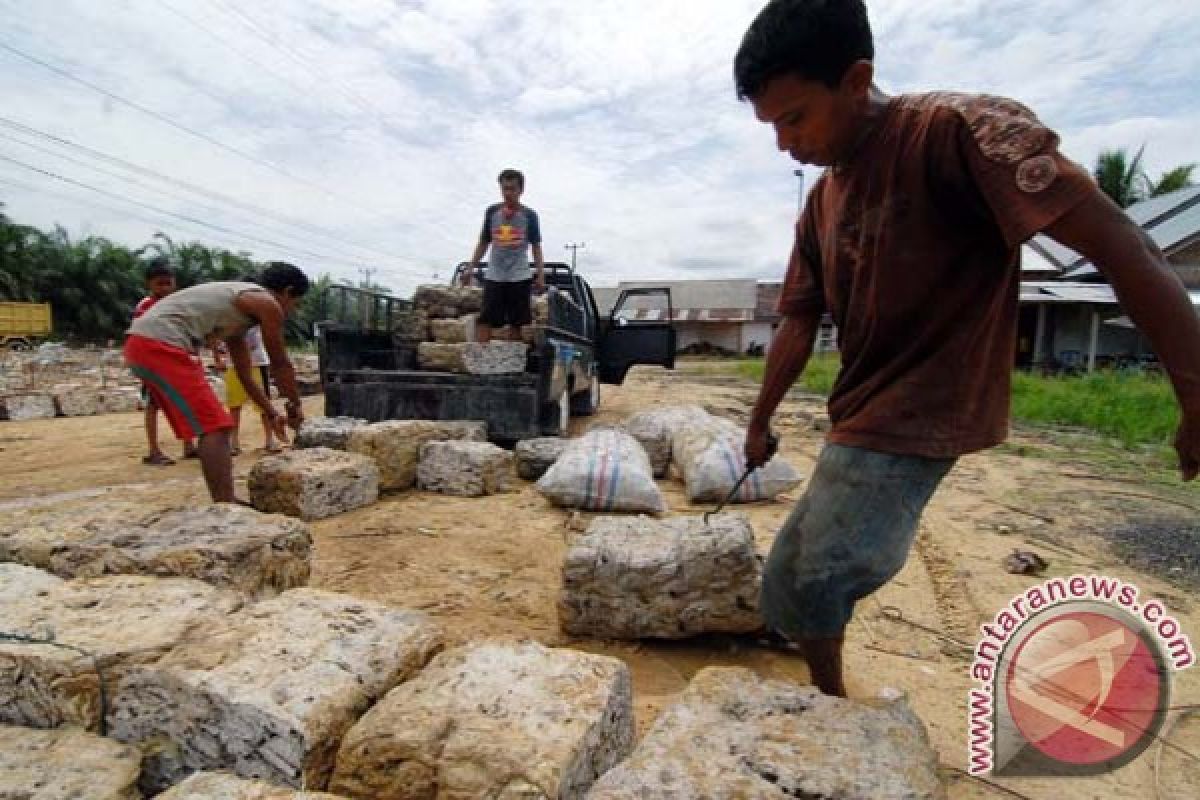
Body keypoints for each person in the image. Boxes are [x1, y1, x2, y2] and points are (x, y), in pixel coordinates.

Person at [734, 0, 1200, 697]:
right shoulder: (822, 200)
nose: (784, 146)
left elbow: (1127, 249)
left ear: (857, 79)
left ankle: (829, 716)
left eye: (795, 118)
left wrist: (1194, 397)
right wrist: (758, 419)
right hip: (860, 411)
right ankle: (822, 692)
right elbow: (798, 320)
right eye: (771, 126)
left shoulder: (959, 132)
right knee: (789, 574)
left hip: (926, 406)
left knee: (817, 574)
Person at [124, 263, 310, 503]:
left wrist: (271, 412)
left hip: (144, 345)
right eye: (295, 303)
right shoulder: (266, 302)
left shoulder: (237, 313)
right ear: (287, 291)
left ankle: (225, 501)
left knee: (214, 426)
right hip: (159, 344)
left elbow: (244, 374)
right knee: (216, 428)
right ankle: (225, 506)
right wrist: (294, 407)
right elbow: (280, 362)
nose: (292, 311)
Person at [463, 168, 545, 342]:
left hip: (520, 275)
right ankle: (481, 360)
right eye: (504, 189)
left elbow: (536, 247)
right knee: (485, 319)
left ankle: (512, 364)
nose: (507, 193)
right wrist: (470, 268)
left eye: (512, 189)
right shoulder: (492, 212)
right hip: (495, 274)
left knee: (517, 322)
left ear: (521, 190)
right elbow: (484, 242)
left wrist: (540, 275)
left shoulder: (530, 215)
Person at [133, 259, 196, 465]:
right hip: (154, 362)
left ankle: (189, 445)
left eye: (168, 283)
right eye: (160, 283)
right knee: (153, 405)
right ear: (149, 284)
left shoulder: (177, 304)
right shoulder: (145, 306)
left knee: (183, 402)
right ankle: (153, 450)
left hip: (176, 359)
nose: (165, 288)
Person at [224, 325, 281, 456]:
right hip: (234, 364)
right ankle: (234, 442)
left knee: (264, 403)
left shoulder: (255, 315)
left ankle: (269, 439)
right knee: (234, 404)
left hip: (257, 362)